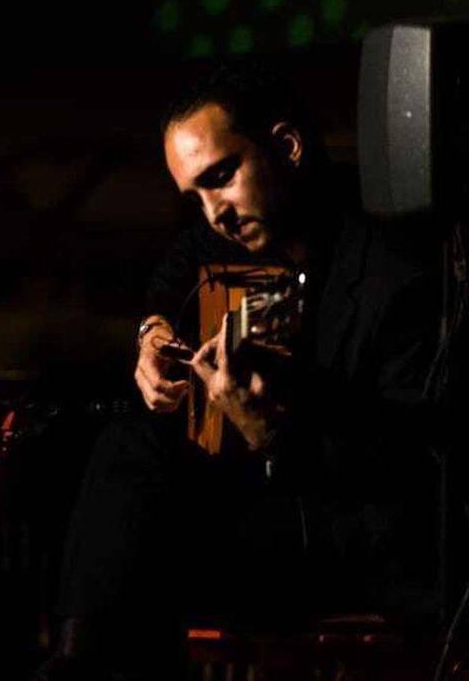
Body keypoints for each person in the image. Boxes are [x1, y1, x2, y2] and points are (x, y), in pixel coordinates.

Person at [35, 64, 441, 679]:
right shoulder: (238, 228)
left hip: (367, 533)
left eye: (220, 179)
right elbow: (178, 265)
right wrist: (152, 335)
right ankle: (74, 659)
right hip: (278, 505)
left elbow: (409, 468)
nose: (213, 214)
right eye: (194, 196)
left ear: (287, 147)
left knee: (146, 546)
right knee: (133, 445)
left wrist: (271, 434)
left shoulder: (395, 266)